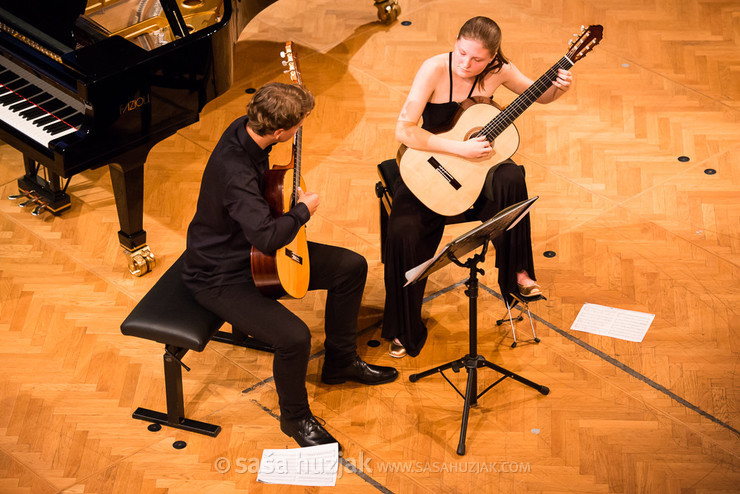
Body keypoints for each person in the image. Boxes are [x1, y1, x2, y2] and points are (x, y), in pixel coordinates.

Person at [182, 82, 398, 450]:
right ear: (279, 132)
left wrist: (279, 192)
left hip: (255, 252)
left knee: (351, 266)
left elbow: (260, 216)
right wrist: (302, 210)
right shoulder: (234, 171)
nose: (299, 132)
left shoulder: (246, 127)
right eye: (297, 127)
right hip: (220, 273)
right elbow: (267, 236)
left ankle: (340, 361)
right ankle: (295, 418)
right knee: (294, 338)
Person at [382, 16, 573, 358]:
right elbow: (405, 131)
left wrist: (559, 88)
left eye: (477, 59)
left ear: (493, 58)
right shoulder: (434, 69)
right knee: (403, 231)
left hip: (476, 174)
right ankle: (403, 325)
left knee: (512, 178)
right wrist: (460, 148)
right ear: (455, 43)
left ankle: (517, 273)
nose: (466, 64)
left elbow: (538, 95)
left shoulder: (500, 70)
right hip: (432, 162)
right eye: (461, 53)